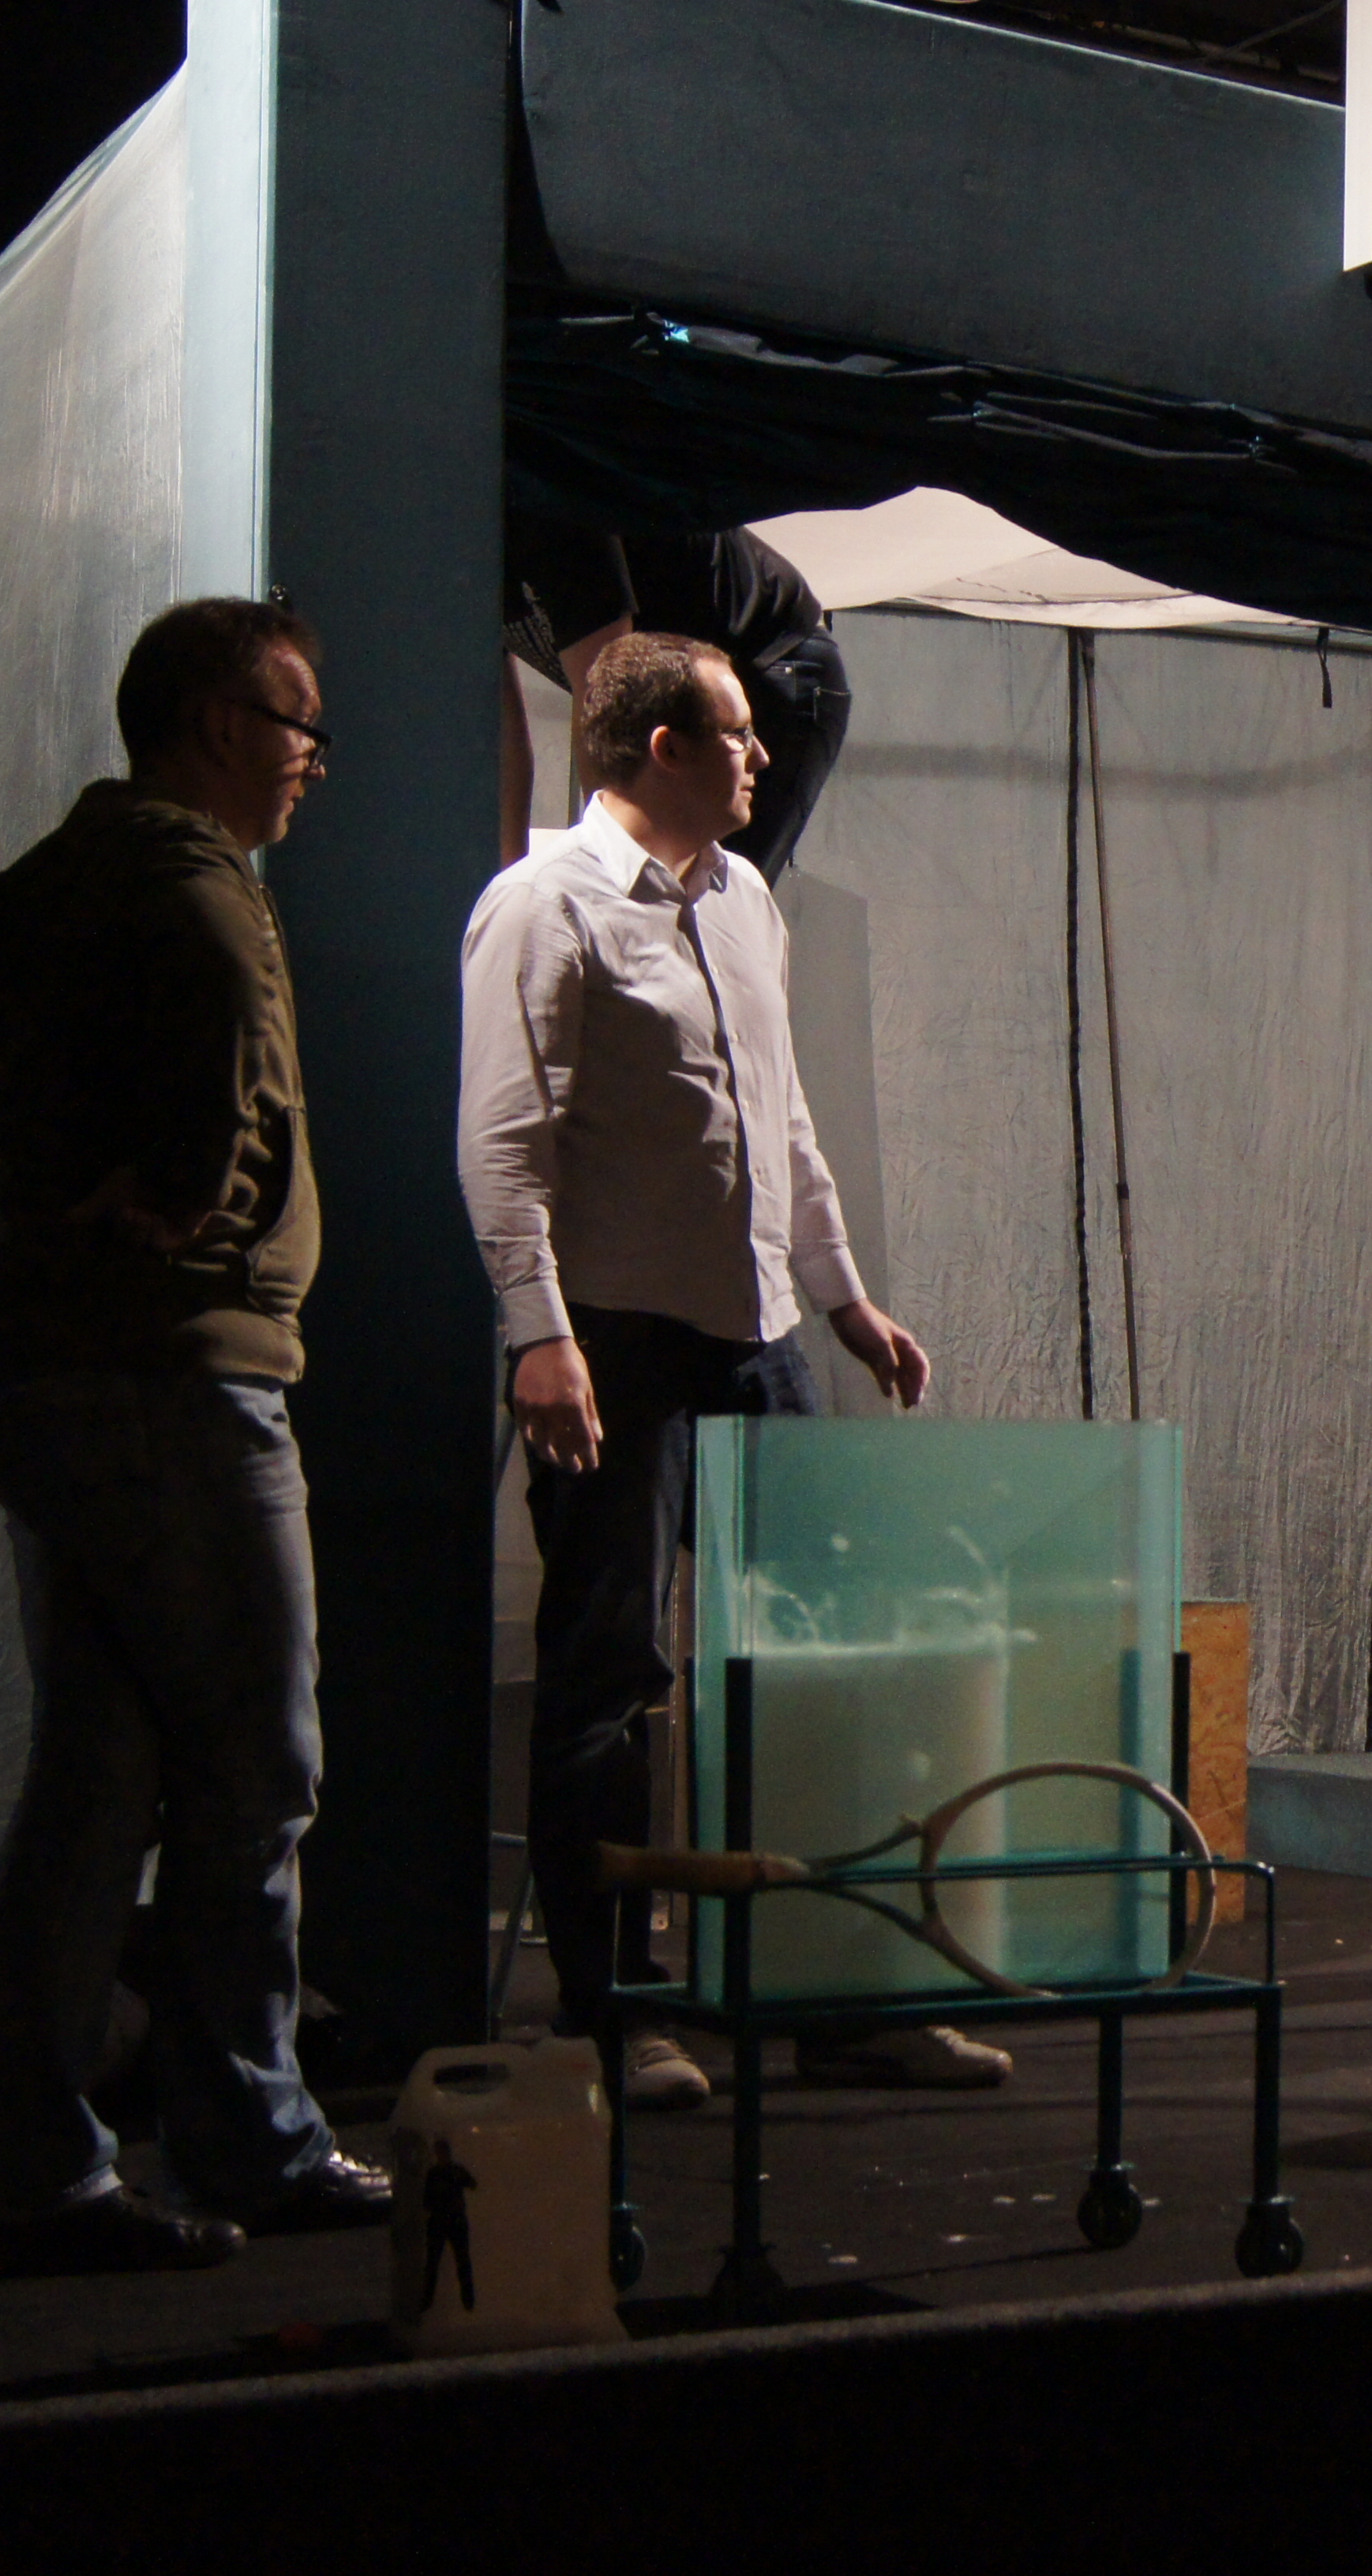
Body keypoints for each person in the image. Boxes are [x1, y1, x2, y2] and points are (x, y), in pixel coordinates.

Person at [0, 596, 392, 2275]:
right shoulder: (200, 887)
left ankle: (27, 2169)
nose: (313, 757)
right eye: (298, 723)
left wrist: (31, 1214)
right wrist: (186, 1209)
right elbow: (234, 1090)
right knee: (258, 1768)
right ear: (214, 724)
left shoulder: (57, 886)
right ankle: (248, 2134)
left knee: (97, 1781)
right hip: (180, 1384)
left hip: (59, 1378)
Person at [460, 631, 1001, 2106]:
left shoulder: (744, 897)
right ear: (663, 747)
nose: (764, 754)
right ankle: (617, 2007)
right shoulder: (544, 905)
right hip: (618, 1336)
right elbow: (502, 1140)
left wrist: (842, 1297)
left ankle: (835, 1989)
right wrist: (540, 1334)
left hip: (753, 1331)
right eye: (740, 731)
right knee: (606, 1675)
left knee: (821, 1662)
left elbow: (780, 1113)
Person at [498, 519, 849, 877]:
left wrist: (605, 877)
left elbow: (605, 698)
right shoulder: (464, 554)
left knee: (690, 889)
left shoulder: (543, 508)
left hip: (765, 664)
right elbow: (495, 734)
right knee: (653, 887)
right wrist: (501, 884)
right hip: (675, 706)